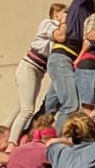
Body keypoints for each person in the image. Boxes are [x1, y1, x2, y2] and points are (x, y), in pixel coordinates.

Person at [9, 13, 62, 145]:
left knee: (20, 107)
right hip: (29, 67)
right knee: (27, 110)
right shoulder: (49, 24)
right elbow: (60, 36)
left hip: (37, 70)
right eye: (64, 13)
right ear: (56, 14)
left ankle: (2, 134)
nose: (66, 15)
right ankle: (11, 143)